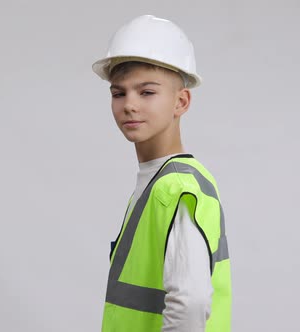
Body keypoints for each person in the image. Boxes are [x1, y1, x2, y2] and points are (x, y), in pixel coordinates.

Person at [92, 14, 232, 332]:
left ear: (181, 102)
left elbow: (191, 305)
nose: (129, 105)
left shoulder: (176, 188)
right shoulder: (156, 182)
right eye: (118, 93)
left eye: (147, 92)